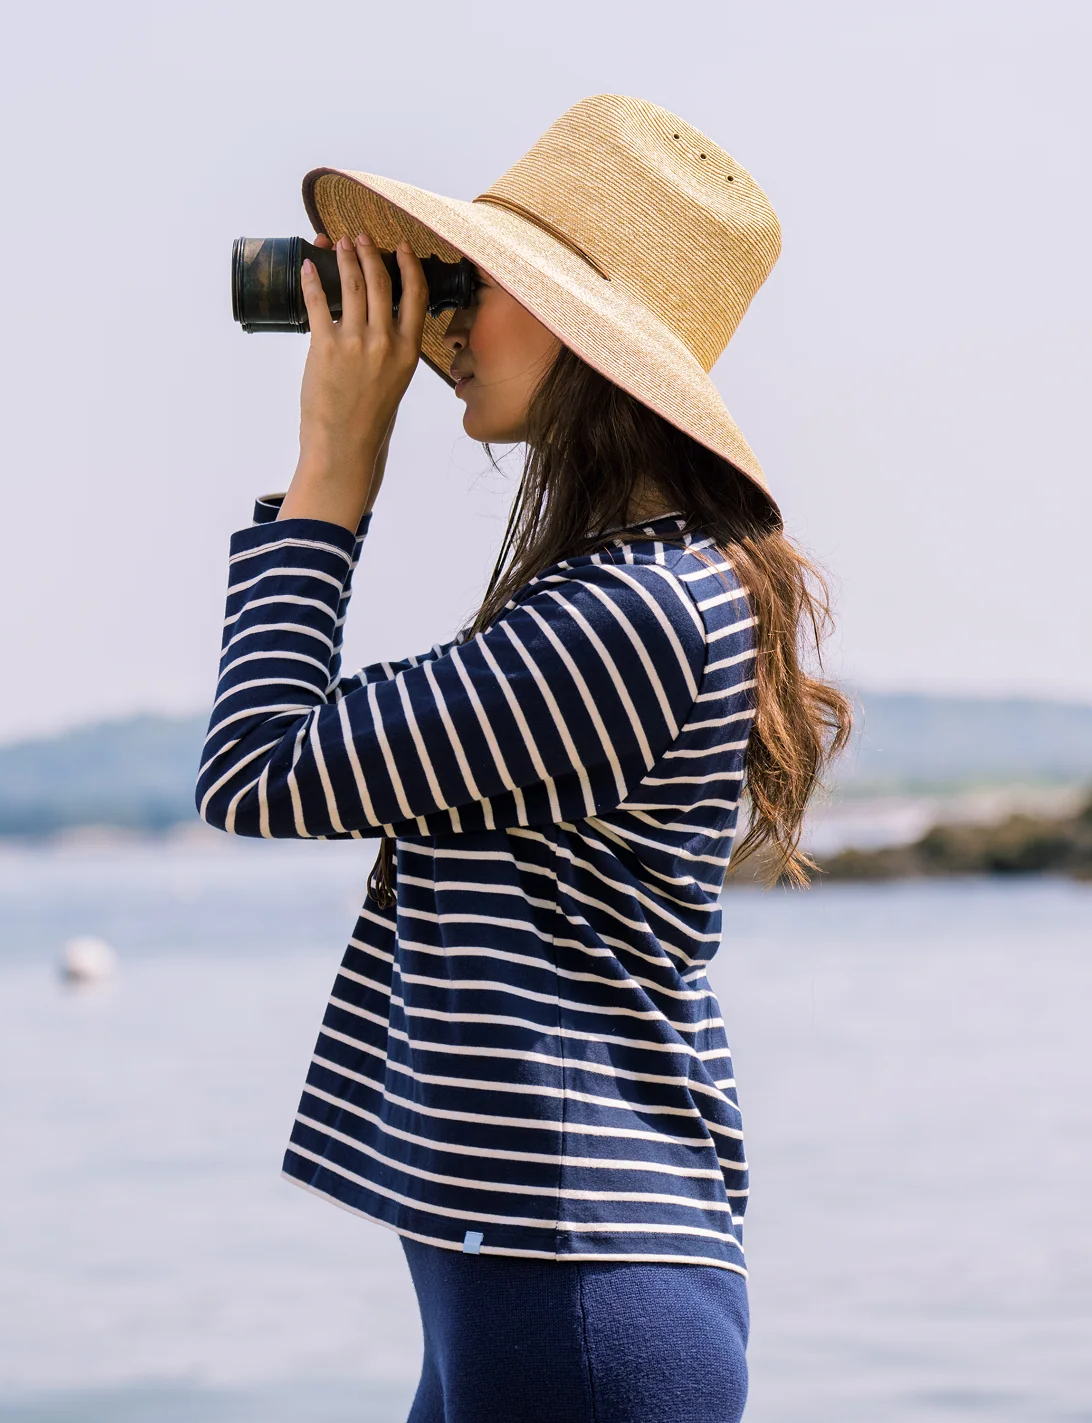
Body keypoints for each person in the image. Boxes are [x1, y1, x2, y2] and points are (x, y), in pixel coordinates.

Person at [197, 95, 849, 1423]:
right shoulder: (628, 590)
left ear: (575, 330)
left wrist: (334, 462)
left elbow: (259, 767)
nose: (441, 320)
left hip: (575, 1298)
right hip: (534, 1287)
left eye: (474, 284)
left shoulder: (635, 612)